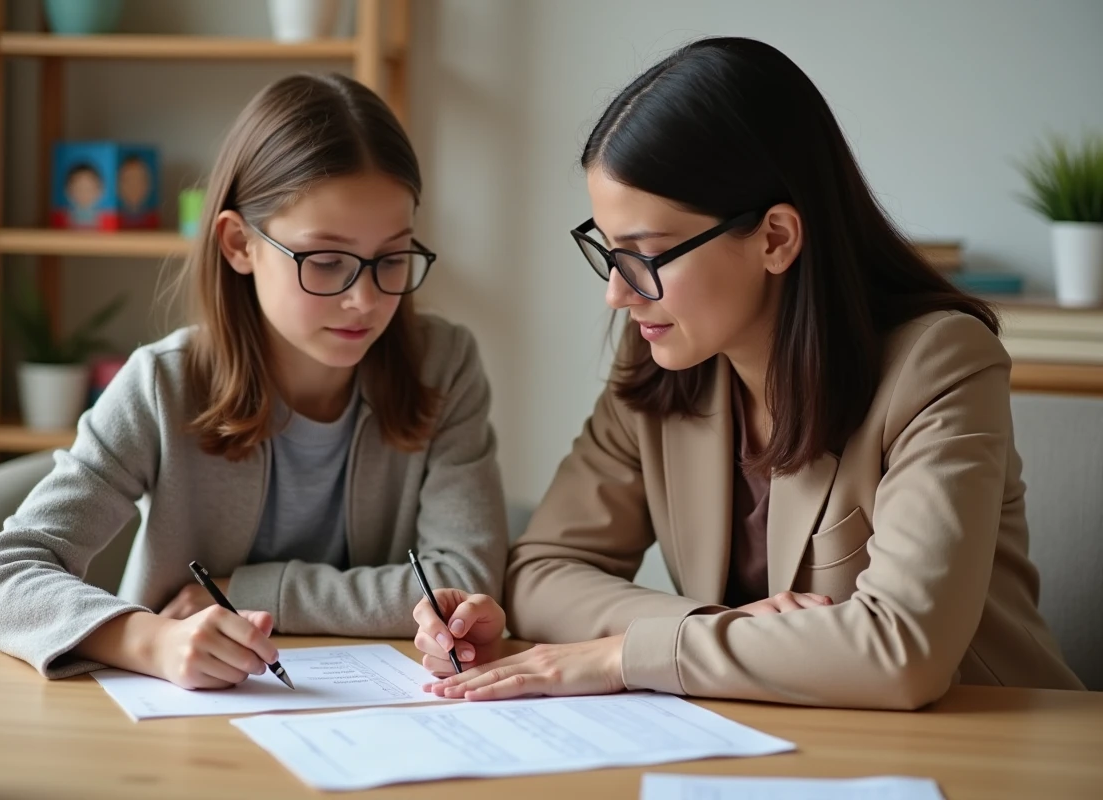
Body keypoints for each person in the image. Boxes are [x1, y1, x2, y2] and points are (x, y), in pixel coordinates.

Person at [412, 37, 1084, 709]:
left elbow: (901, 650)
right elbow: (540, 570)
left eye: (646, 256)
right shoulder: (663, 358)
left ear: (775, 239)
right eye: (609, 252)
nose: (618, 294)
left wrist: (626, 654)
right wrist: (704, 629)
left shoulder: (940, 363)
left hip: (982, 744)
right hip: (778, 741)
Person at [0, 73, 509, 690]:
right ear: (238, 243)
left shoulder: (445, 364)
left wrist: (240, 589)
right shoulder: (162, 385)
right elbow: (3, 575)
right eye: (326, 261)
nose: (364, 299)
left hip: (383, 711)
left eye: (391, 259)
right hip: (181, 721)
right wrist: (150, 639)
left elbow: (464, 578)